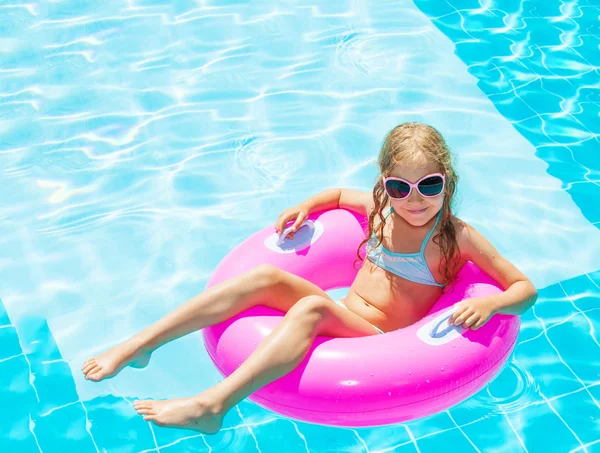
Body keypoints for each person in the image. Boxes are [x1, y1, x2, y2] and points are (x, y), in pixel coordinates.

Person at [81, 122, 538, 434]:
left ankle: (213, 405)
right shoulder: (379, 210)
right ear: (385, 184)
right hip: (347, 314)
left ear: (447, 182)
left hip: (379, 336)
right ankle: (140, 346)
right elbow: (339, 193)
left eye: (429, 186)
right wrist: (309, 206)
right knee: (262, 276)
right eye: (401, 187)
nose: (414, 199)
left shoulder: (456, 238)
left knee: (313, 307)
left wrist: (492, 304)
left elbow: (524, 289)